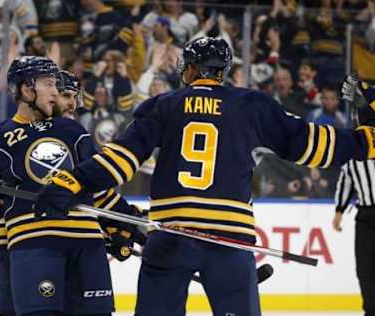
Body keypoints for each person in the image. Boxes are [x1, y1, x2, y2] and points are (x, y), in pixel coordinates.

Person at [34, 37, 375, 316]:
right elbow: (309, 143)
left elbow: (122, 158)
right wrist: (366, 140)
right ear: (222, 71)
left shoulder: (164, 104)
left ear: (192, 69)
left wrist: (74, 180)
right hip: (229, 243)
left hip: (171, 238)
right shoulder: (252, 105)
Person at [0, 57, 140, 316]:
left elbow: (96, 187)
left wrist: (127, 223)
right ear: (26, 89)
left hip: (87, 246)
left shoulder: (72, 130)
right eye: (50, 85)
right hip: (31, 246)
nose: (55, 92)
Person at [333, 75, 375, 316]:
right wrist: (339, 210)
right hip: (365, 215)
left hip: (367, 214)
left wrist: (362, 96)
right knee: (365, 270)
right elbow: (346, 178)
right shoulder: (355, 144)